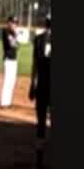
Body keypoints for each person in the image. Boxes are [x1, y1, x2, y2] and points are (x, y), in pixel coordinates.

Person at [29, 15, 51, 157]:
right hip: (47, 87)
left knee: (41, 124)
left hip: (42, 86)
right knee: (43, 124)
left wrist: (32, 84)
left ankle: (39, 161)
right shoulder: (38, 40)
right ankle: (40, 160)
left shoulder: (38, 39)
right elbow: (35, 65)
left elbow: (34, 66)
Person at [0, 16, 19, 108]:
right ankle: (3, 102)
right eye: (13, 22)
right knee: (7, 81)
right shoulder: (6, 31)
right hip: (8, 59)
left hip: (14, 59)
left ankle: (8, 102)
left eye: (15, 23)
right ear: (8, 22)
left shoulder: (13, 32)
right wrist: (16, 41)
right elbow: (13, 44)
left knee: (12, 81)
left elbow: (17, 46)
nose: (14, 24)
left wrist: (16, 42)